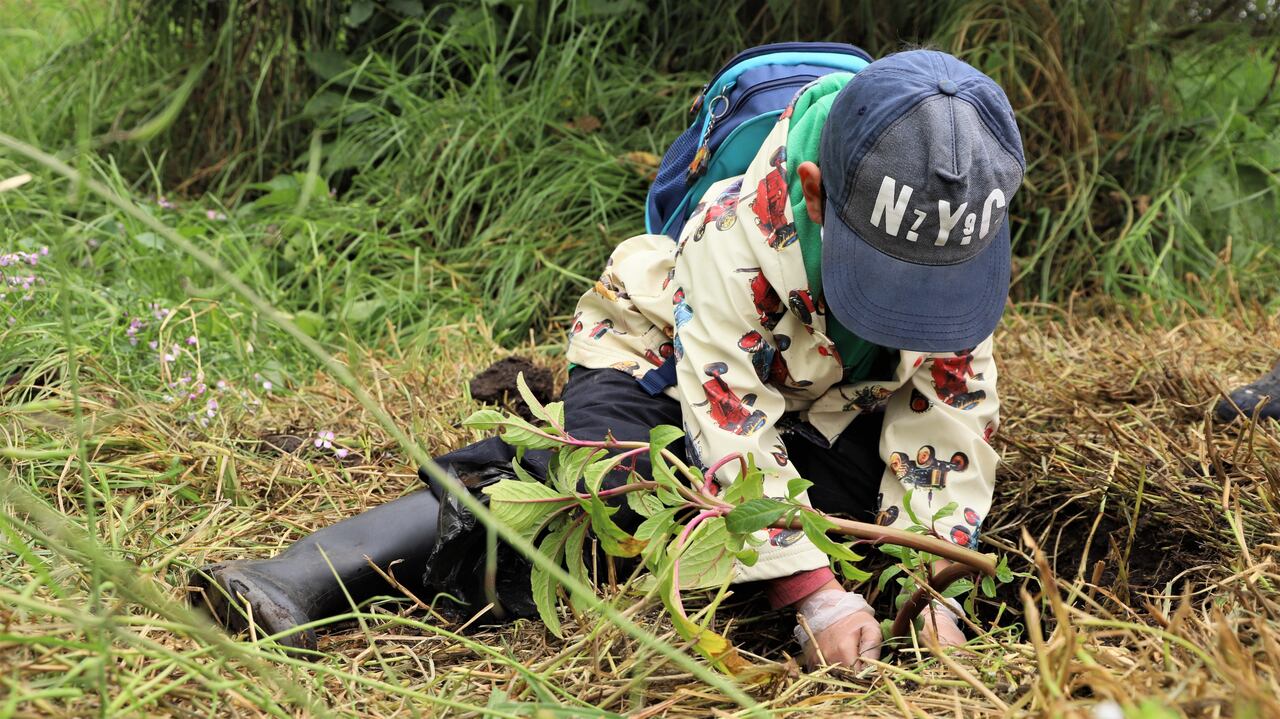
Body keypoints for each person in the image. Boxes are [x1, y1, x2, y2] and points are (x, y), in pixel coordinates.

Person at [190, 49, 1024, 670]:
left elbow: (946, 427)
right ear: (813, 194)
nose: (912, 307)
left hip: (822, 403)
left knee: (859, 539)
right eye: (880, 278)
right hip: (668, 364)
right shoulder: (741, 230)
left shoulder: (956, 248)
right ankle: (320, 570)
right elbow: (725, 415)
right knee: (607, 495)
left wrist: (930, 591)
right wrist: (808, 592)